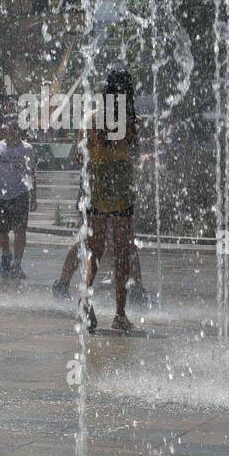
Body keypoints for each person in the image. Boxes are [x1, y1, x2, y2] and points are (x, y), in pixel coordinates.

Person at [77, 69, 138, 332]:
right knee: (122, 251)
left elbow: (80, 156)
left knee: (96, 249)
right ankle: (120, 315)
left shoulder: (90, 118)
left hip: (97, 183)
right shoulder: (127, 119)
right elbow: (127, 142)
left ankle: (85, 296)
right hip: (120, 184)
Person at [0, 122, 38, 280]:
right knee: (2, 231)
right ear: (4, 131)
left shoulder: (27, 148)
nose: (13, 132)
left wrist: (34, 196)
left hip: (20, 194)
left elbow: (31, 174)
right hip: (1, 195)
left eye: (15, 129)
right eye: (9, 129)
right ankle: (6, 254)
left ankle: (17, 264)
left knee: (20, 230)